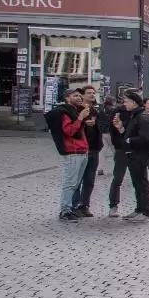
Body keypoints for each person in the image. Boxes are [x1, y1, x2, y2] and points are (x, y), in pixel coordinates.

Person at [45, 85, 91, 222]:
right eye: (75, 95)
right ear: (67, 98)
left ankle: (69, 208)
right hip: (73, 152)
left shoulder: (76, 111)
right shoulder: (64, 113)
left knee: (75, 183)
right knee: (70, 182)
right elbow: (70, 131)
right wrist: (81, 118)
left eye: (79, 95)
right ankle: (65, 210)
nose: (79, 97)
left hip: (82, 151)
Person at [113, 90, 149, 222]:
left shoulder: (142, 116)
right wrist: (120, 128)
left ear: (133, 102)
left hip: (140, 155)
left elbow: (144, 137)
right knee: (137, 183)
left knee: (142, 182)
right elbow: (128, 133)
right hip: (132, 154)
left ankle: (144, 211)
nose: (124, 104)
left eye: (126, 101)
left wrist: (128, 141)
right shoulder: (134, 115)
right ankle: (139, 209)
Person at [72, 86, 104, 217]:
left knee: (89, 180)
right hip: (80, 150)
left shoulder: (95, 110)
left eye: (93, 93)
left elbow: (101, 128)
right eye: (89, 93)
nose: (92, 95)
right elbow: (73, 130)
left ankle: (85, 205)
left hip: (94, 149)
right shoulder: (77, 111)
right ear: (82, 95)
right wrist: (85, 124)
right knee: (77, 180)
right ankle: (74, 205)